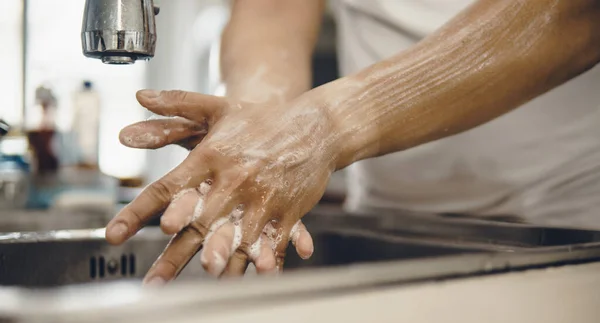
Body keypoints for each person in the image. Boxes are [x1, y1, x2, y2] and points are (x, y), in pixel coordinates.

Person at [106, 0, 600, 285]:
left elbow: (573, 13)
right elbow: (274, 10)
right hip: (386, 230)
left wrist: (328, 123)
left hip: (568, 230)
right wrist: (255, 127)